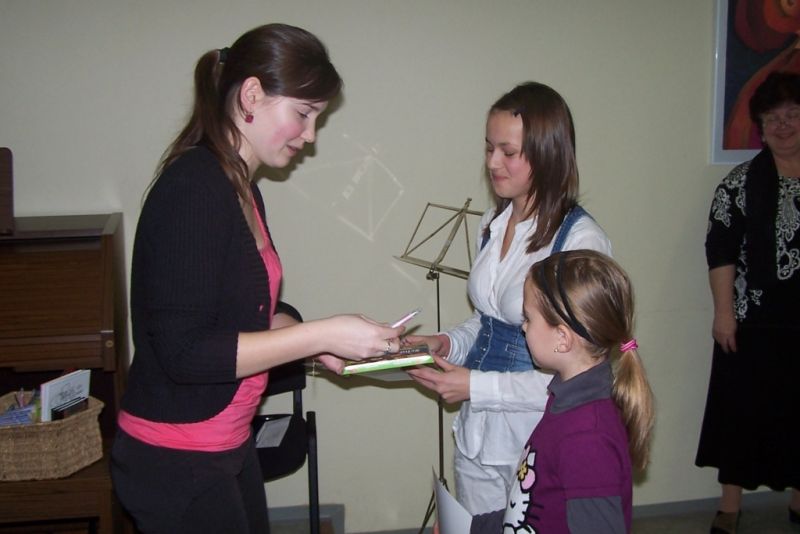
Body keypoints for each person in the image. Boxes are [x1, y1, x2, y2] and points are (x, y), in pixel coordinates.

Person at [110, 24, 404, 534]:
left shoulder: (241, 188)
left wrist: (314, 340)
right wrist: (321, 334)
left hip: (226, 438)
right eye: (304, 114)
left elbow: (246, 309)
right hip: (177, 454)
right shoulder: (193, 189)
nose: (310, 136)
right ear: (251, 95)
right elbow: (185, 353)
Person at [407, 81, 612, 514]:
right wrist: (445, 343)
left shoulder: (580, 243)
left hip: (536, 436)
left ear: (547, 154)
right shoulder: (492, 222)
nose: (492, 162)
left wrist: (475, 385)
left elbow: (581, 373)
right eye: (488, 148)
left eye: (508, 151)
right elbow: (489, 321)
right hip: (478, 434)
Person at [468, 250, 655, 534]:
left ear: (562, 338)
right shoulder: (565, 401)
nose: (523, 327)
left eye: (528, 318)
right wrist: (472, 527)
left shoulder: (587, 436)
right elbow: (533, 508)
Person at [695, 70, 800, 534]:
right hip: (750, 322)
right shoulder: (738, 184)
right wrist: (723, 314)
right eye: (773, 118)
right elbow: (719, 250)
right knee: (740, 417)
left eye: (793, 114)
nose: (783, 125)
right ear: (760, 125)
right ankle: (730, 508)